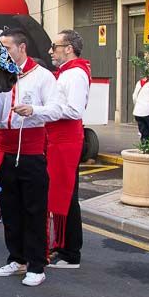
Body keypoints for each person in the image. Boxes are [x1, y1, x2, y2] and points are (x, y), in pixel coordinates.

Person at [0, 29, 61, 287]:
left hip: (30, 149)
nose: (2, 52)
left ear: (22, 47)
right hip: (5, 148)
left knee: (34, 209)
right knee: (11, 208)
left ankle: (37, 264)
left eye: (6, 47)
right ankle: (17, 258)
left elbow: (56, 109)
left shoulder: (43, 77)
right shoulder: (0, 76)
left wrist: (33, 110)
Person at [45, 30, 90, 269]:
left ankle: (71, 252)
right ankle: (61, 245)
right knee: (59, 193)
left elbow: (73, 110)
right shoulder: (67, 74)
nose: (51, 50)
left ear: (69, 48)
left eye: (56, 45)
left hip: (67, 139)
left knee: (67, 195)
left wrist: (43, 111)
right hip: (58, 138)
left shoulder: (75, 75)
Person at [132, 76, 149, 145]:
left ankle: (145, 148)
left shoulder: (139, 83)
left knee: (144, 133)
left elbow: (134, 97)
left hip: (137, 112)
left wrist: (138, 105)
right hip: (148, 111)